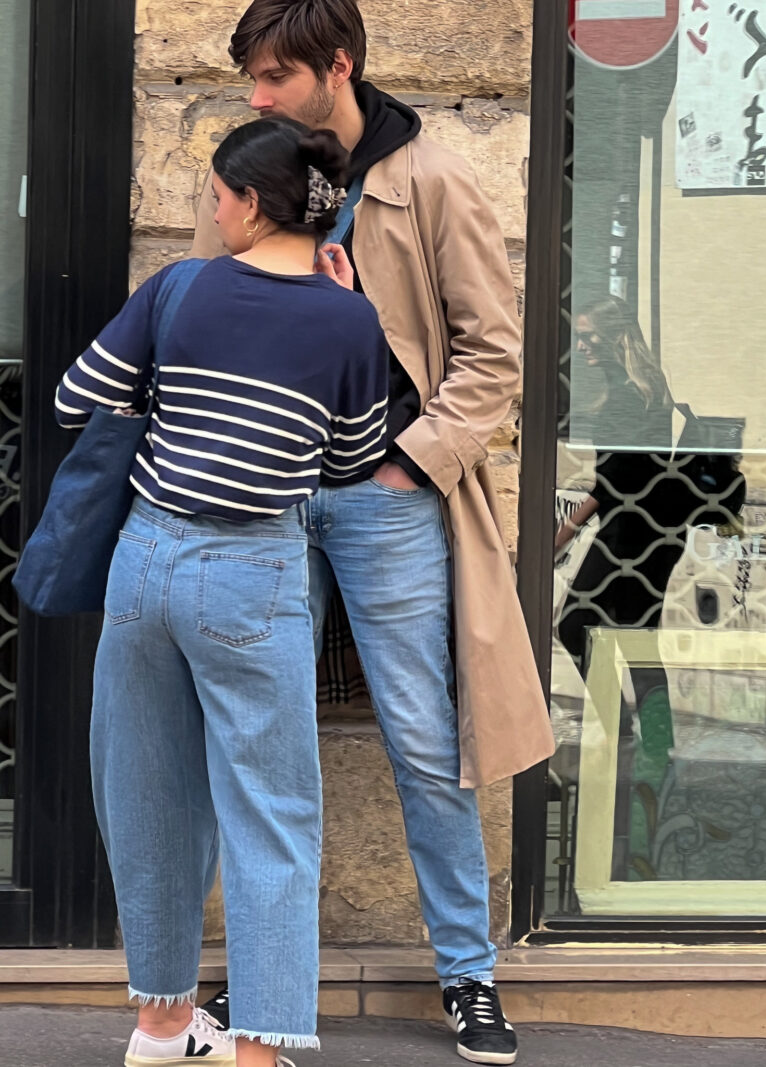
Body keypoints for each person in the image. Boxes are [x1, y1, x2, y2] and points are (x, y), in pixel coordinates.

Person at [191, 3, 554, 1064]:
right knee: (262, 742)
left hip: (387, 499)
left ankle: (467, 972)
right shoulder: (253, 169)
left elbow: (492, 355)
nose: (256, 95)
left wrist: (408, 460)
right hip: (268, 496)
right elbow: (214, 310)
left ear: (336, 66)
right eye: (252, 78)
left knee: (424, 742)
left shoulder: (429, 178)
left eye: (273, 76)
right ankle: (265, 970)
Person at [56, 117, 388, 1067]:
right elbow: (352, 459)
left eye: (214, 196)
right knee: (270, 813)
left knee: (147, 797)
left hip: (145, 559)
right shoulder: (349, 320)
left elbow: (77, 397)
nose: (212, 210)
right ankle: (256, 1053)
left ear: (248, 203)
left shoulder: (180, 288)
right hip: (252, 572)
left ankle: (162, 1026)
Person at [555, 295, 686, 688]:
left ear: (614, 335)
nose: (581, 346)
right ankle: (635, 725)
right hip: (649, 531)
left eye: (588, 336)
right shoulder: (643, 388)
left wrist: (566, 531)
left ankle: (619, 721)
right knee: (635, 641)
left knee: (577, 626)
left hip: (631, 534)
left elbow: (616, 480)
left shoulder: (628, 396)